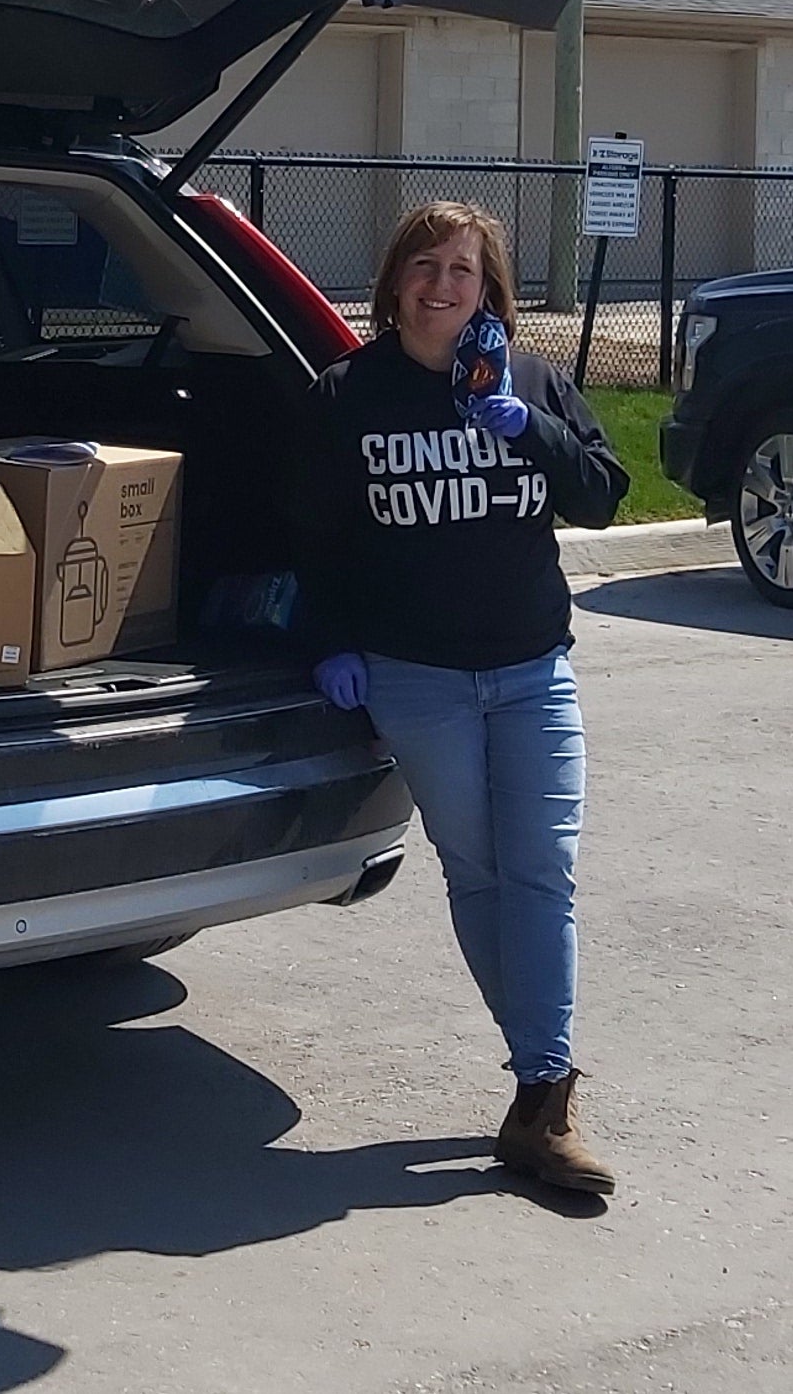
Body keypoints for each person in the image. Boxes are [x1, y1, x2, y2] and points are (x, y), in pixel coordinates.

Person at [302, 200, 628, 1195]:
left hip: (532, 669)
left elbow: (602, 493)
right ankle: (539, 1071)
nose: (445, 285)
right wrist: (329, 641)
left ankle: (542, 1087)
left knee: (543, 874)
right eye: (427, 266)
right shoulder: (346, 393)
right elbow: (315, 535)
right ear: (395, 279)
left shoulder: (532, 380)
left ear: (491, 291)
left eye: (466, 270)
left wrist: (526, 429)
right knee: (478, 874)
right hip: (415, 678)